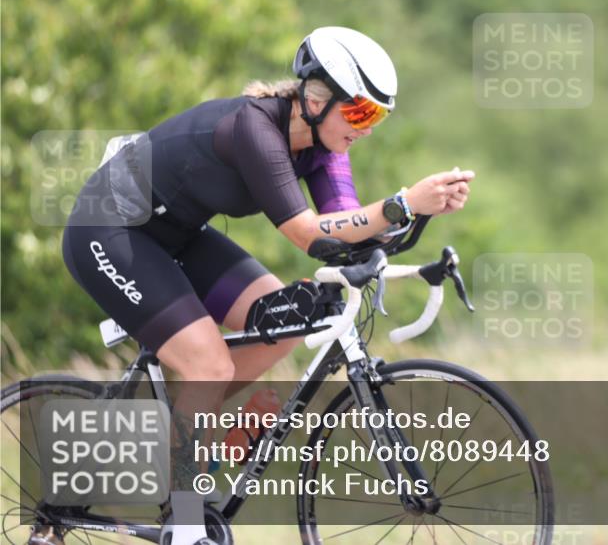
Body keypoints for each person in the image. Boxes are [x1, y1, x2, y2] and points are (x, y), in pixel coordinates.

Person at [60, 26, 474, 496]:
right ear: (316, 99)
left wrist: (419, 210)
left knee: (286, 319)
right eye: (359, 110)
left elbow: (345, 227)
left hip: (176, 234)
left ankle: (185, 442)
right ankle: (184, 516)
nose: (367, 127)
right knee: (210, 366)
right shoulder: (254, 128)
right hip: (108, 230)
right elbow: (306, 234)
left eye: (376, 115)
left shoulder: (325, 149)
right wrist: (400, 202)